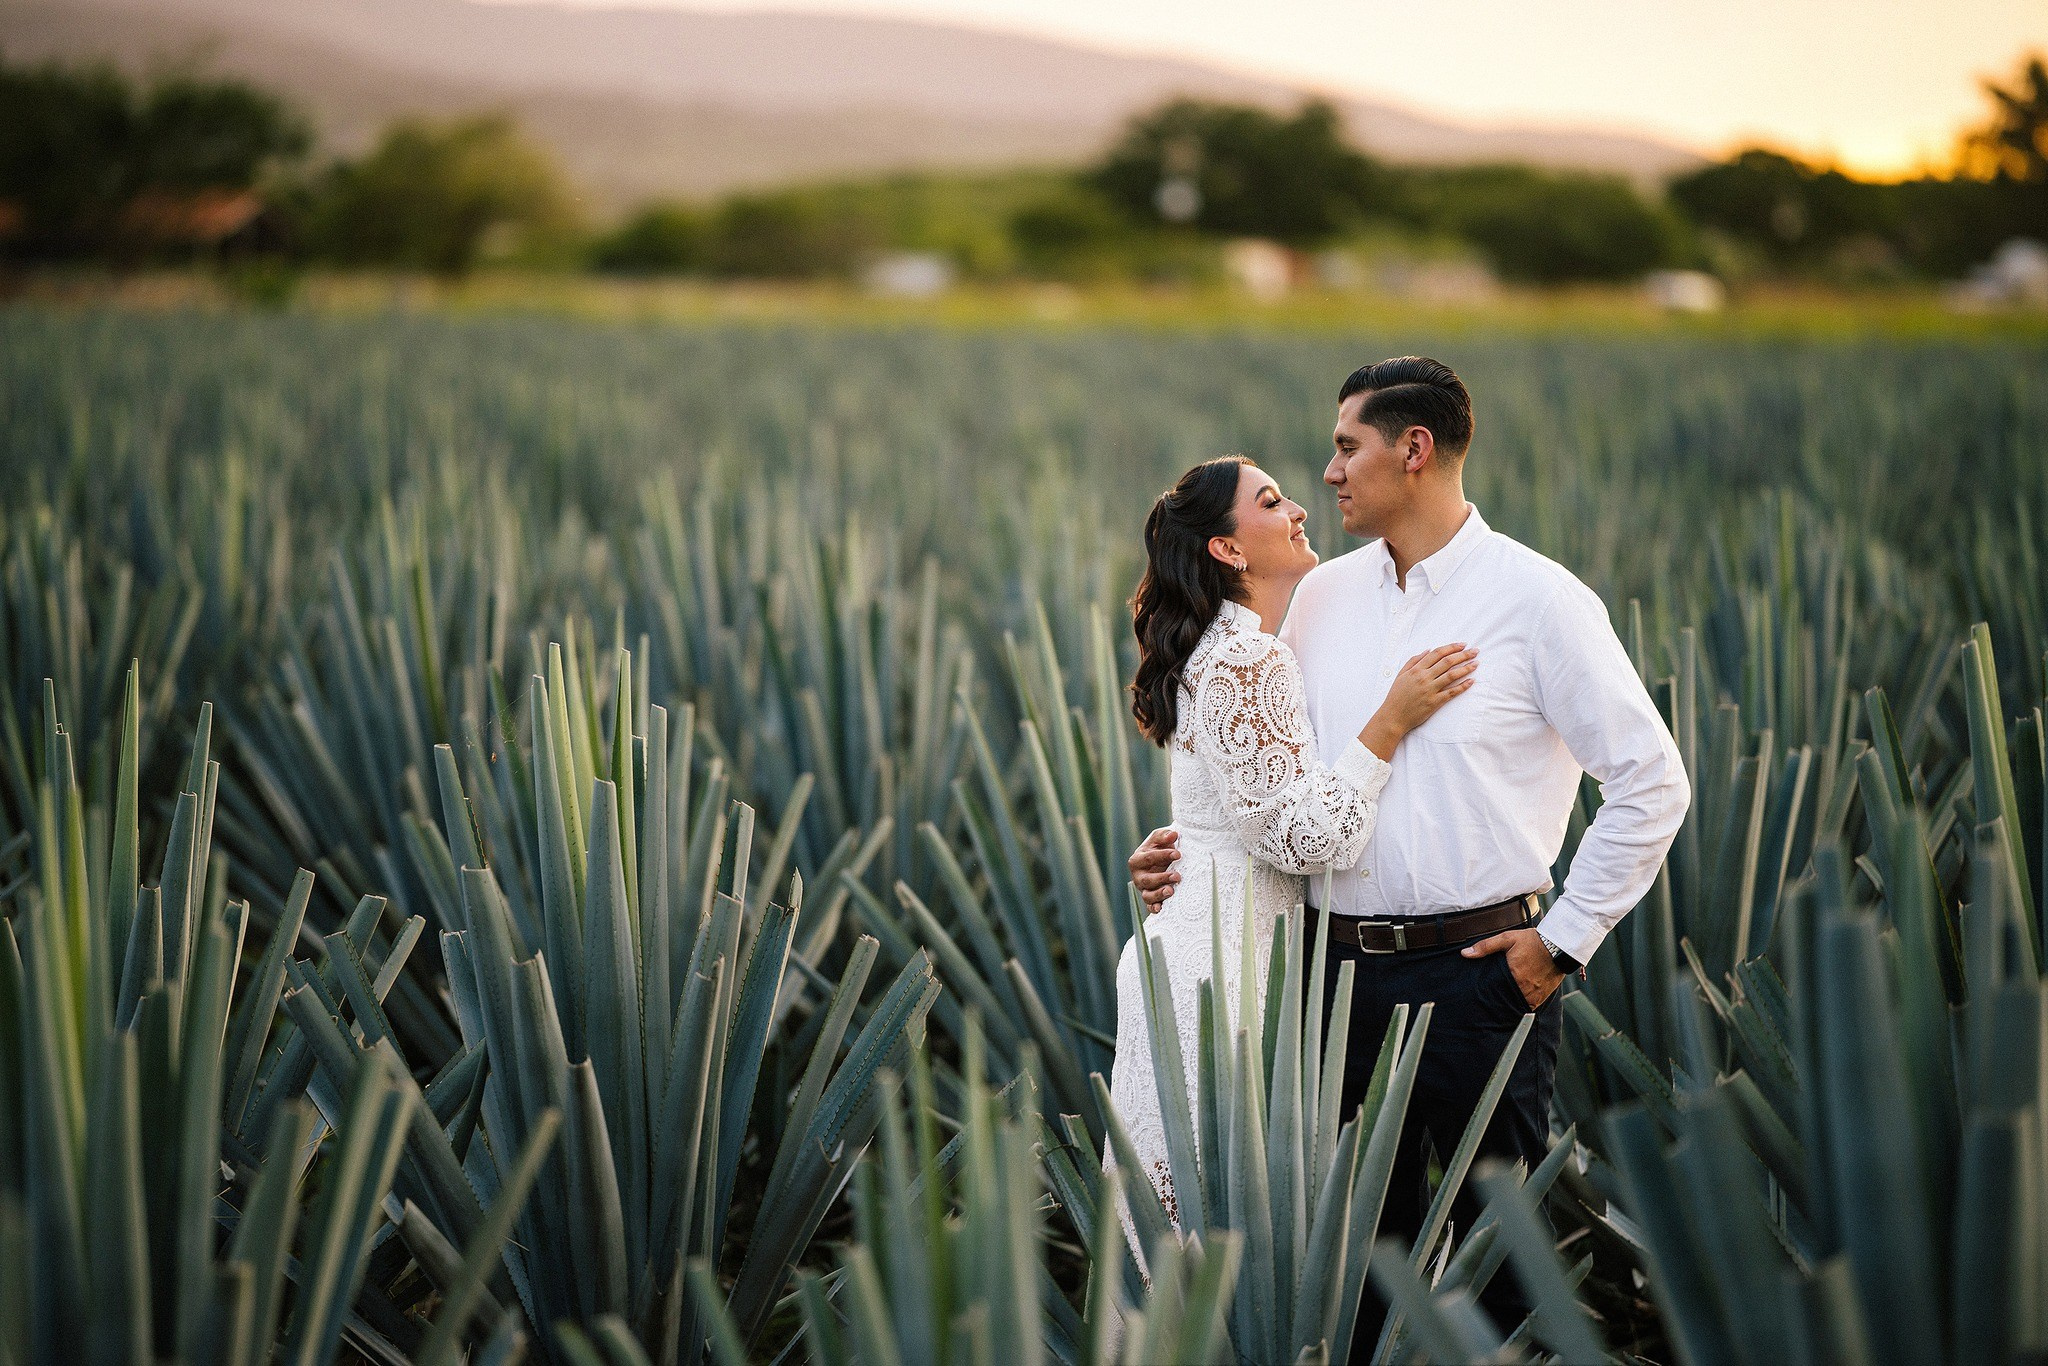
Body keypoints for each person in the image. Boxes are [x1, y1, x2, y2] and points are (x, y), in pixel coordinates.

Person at [1127, 357, 1690, 1349]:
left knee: (1502, 1258)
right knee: (1339, 1263)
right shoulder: (1315, 598)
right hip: (1320, 980)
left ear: (1413, 450)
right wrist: (1187, 851)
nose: (1329, 472)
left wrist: (1557, 945)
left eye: (1347, 447)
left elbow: (1650, 783)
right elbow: (1258, 772)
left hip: (1479, 976)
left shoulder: (1537, 600)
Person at [1105, 453, 1476, 1267]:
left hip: (1210, 942)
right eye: (1271, 502)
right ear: (1229, 551)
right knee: (1215, 1217)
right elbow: (1304, 841)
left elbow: (1225, 814)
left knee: (1185, 1216)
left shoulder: (1232, 648)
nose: (1300, 508)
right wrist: (1390, 723)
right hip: (1224, 965)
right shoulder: (1248, 657)